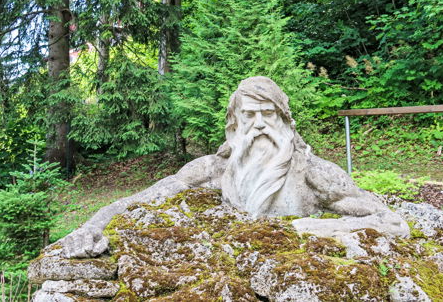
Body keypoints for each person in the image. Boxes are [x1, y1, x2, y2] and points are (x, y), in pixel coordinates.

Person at [55, 76, 408, 259]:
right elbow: (144, 197)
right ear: (234, 124)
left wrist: (317, 227)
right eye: (248, 116)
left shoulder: (314, 172)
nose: (258, 124)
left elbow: (391, 221)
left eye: (268, 115)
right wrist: (91, 225)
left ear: (285, 120)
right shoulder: (213, 169)